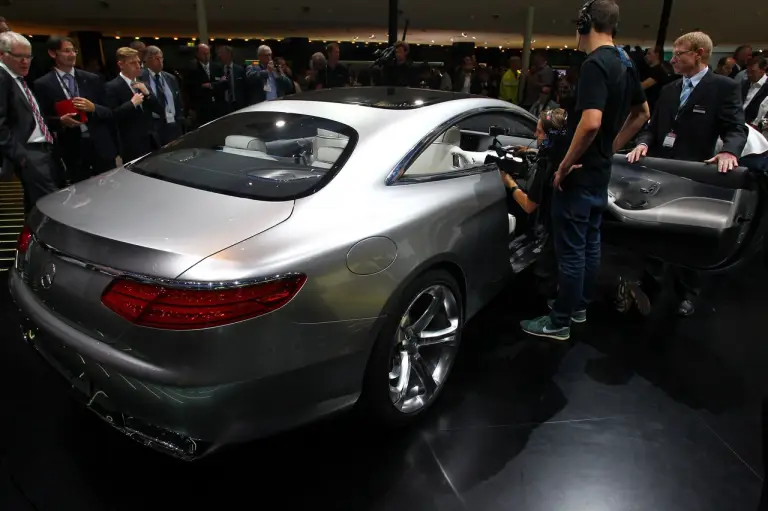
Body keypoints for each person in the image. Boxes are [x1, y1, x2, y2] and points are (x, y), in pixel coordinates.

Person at [520, 0, 650, 341]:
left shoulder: (595, 64)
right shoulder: (625, 60)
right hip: (599, 171)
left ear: (584, 24)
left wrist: (563, 165)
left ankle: (559, 320)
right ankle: (577, 308)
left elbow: (590, 123)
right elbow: (642, 113)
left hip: (578, 174)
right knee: (590, 243)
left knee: (571, 252)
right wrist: (611, 148)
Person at [624, 31, 747, 316]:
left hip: (694, 174)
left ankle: (686, 292)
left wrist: (730, 151)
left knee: (689, 237)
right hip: (660, 171)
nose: (673, 59)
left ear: (699, 54)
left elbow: (735, 128)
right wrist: (643, 143)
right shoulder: (668, 90)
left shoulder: (723, 88)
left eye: (679, 54)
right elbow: (652, 129)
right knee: (654, 230)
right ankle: (648, 285)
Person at [501, 108, 569, 296]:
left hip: (547, 231)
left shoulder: (546, 166)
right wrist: (529, 150)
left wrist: (509, 183)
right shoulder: (563, 155)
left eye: (539, 132)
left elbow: (529, 206)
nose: (534, 134)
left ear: (550, 137)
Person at [0, 32, 63, 212]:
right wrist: (21, 156)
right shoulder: (2, 77)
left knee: (36, 206)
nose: (25, 61)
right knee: (51, 205)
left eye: (28, 57)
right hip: (29, 152)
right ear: (2, 55)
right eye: (19, 57)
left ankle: (31, 240)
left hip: (41, 150)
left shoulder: (17, 78)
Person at [105, 47, 164, 162]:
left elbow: (159, 110)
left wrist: (147, 94)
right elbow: (111, 116)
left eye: (139, 62)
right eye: (133, 63)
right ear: (121, 65)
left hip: (151, 140)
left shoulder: (144, 84)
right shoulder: (112, 87)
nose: (138, 66)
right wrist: (131, 104)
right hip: (131, 144)